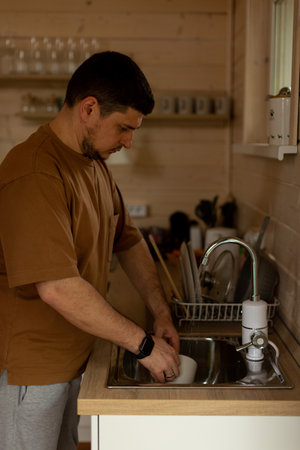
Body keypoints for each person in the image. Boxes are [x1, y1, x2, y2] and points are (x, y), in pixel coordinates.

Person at [0, 51, 180, 450]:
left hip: (74, 357)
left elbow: (128, 240)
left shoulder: (93, 163)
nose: (129, 142)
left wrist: (161, 312)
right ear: (89, 109)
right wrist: (143, 345)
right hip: (31, 371)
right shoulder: (34, 172)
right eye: (123, 128)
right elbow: (57, 287)